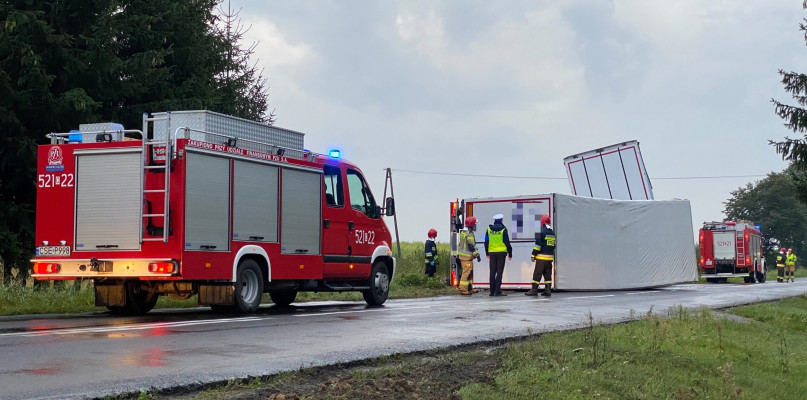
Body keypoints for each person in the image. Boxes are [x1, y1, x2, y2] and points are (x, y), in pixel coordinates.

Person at [527, 214, 556, 297]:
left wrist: (533, 254)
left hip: (541, 257)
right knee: (547, 274)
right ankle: (548, 290)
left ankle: (534, 290)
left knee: (537, 274)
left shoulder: (540, 231)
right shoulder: (552, 232)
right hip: (549, 258)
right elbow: (554, 245)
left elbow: (538, 245)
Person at [484, 213, 512, 296]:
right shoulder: (503, 230)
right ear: (501, 220)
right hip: (501, 253)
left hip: (492, 253)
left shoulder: (489, 229)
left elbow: (486, 241)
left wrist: (487, 253)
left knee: (492, 272)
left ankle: (491, 292)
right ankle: (497, 291)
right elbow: (507, 242)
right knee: (499, 272)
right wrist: (510, 253)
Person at [458, 217, 481, 295]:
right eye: (474, 224)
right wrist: (477, 255)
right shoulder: (469, 233)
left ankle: (470, 288)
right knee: (466, 273)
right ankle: (464, 289)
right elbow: (471, 246)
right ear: (471, 225)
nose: (475, 226)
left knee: (470, 273)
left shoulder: (464, 232)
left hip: (466, 257)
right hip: (466, 257)